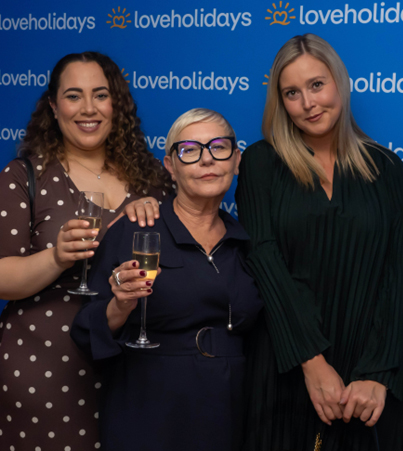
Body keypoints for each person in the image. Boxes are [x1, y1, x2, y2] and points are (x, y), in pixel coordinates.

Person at [0, 51, 172, 450]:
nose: (88, 108)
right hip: (47, 368)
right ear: (53, 106)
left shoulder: (151, 180)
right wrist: (56, 257)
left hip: (133, 368)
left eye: (100, 95)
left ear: (117, 104)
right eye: (74, 96)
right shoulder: (24, 177)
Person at [235, 34, 403, 451]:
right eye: (292, 93)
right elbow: (264, 261)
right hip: (287, 364)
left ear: (340, 82)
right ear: (280, 102)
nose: (308, 103)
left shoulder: (387, 168)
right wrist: (312, 363)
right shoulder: (261, 162)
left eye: (317, 85)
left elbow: (396, 274)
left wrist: (377, 373)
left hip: (369, 375)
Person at [71, 108, 263, 451]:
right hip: (150, 409)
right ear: (170, 166)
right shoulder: (136, 230)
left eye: (219, 147)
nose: (207, 159)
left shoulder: (247, 241)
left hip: (229, 411)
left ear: (236, 161)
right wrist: (121, 305)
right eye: (190, 150)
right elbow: (85, 329)